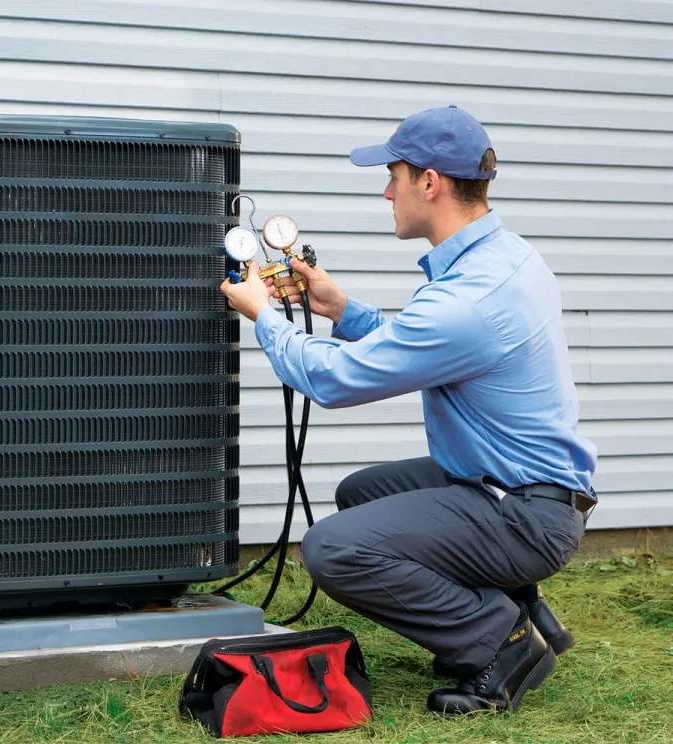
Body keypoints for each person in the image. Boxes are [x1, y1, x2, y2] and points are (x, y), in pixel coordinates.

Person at [219, 105, 598, 716]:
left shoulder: (471, 299)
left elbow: (335, 379)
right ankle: (523, 610)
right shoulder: (507, 260)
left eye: (395, 174)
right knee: (361, 494)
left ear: (431, 182)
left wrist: (265, 314)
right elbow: (425, 347)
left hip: (523, 514)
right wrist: (342, 309)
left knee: (332, 548)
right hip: (517, 487)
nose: (386, 189)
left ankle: (498, 642)